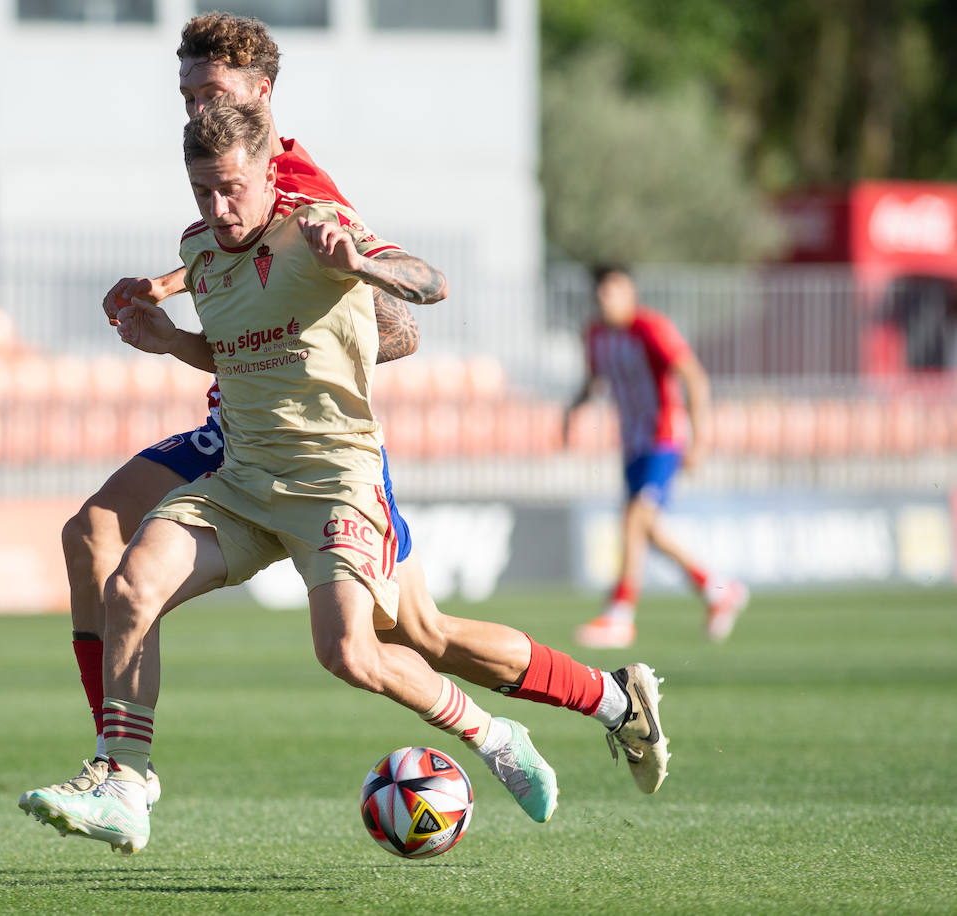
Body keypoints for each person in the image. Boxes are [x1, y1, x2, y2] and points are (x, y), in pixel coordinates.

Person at [41, 11, 667, 825]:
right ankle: (121, 768)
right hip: (244, 443)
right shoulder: (212, 202)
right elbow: (233, 272)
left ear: (261, 95)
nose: (197, 110)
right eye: (187, 94)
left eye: (214, 91)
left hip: (323, 453)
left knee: (402, 640)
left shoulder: (306, 198)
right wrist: (174, 305)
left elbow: (398, 325)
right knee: (99, 539)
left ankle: (602, 704)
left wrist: (340, 300)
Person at [564, 265, 749, 649]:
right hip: (631, 445)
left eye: (615, 291)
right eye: (602, 293)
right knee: (648, 528)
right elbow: (593, 380)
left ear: (630, 291)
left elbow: (694, 378)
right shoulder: (596, 335)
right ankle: (718, 590)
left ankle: (620, 614)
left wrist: (699, 441)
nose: (607, 299)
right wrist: (573, 411)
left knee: (635, 518)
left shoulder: (651, 328)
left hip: (663, 438)